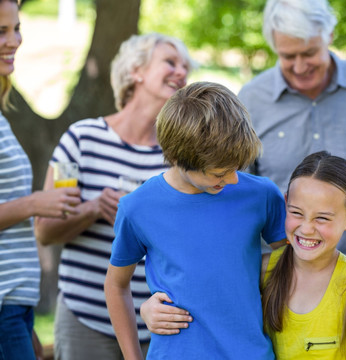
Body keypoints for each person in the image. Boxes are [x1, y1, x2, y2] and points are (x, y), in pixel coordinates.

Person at [34, 33, 195, 359]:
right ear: (136, 70)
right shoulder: (81, 139)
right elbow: (44, 230)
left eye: (185, 67)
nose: (181, 73)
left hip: (160, 327)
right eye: (170, 62)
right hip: (85, 323)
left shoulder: (181, 156)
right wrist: (92, 209)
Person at [104, 81, 288, 359]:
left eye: (236, 168)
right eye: (218, 173)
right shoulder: (138, 207)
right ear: (178, 158)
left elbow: (295, 268)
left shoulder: (262, 195)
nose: (233, 179)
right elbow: (116, 285)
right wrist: (135, 346)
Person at [237, 0, 346, 263]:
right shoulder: (252, 98)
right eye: (287, 56)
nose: (299, 66)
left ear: (329, 35)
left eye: (308, 53)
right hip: (277, 272)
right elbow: (237, 185)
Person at [0, 0, 81, 359]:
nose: (14, 40)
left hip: (14, 302)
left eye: (16, 28)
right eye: (1, 31)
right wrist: (35, 203)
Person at [262, 151, 346, 359]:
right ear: (285, 205)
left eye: (322, 218)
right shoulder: (264, 270)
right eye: (297, 213)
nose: (307, 228)